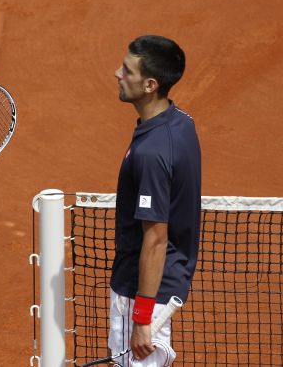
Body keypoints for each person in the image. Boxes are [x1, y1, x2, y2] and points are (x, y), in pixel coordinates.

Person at [109, 35, 201, 366]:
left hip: (143, 292)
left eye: (127, 70)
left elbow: (156, 238)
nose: (117, 73)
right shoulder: (180, 122)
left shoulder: (152, 153)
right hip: (166, 281)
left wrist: (142, 318)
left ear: (150, 84)